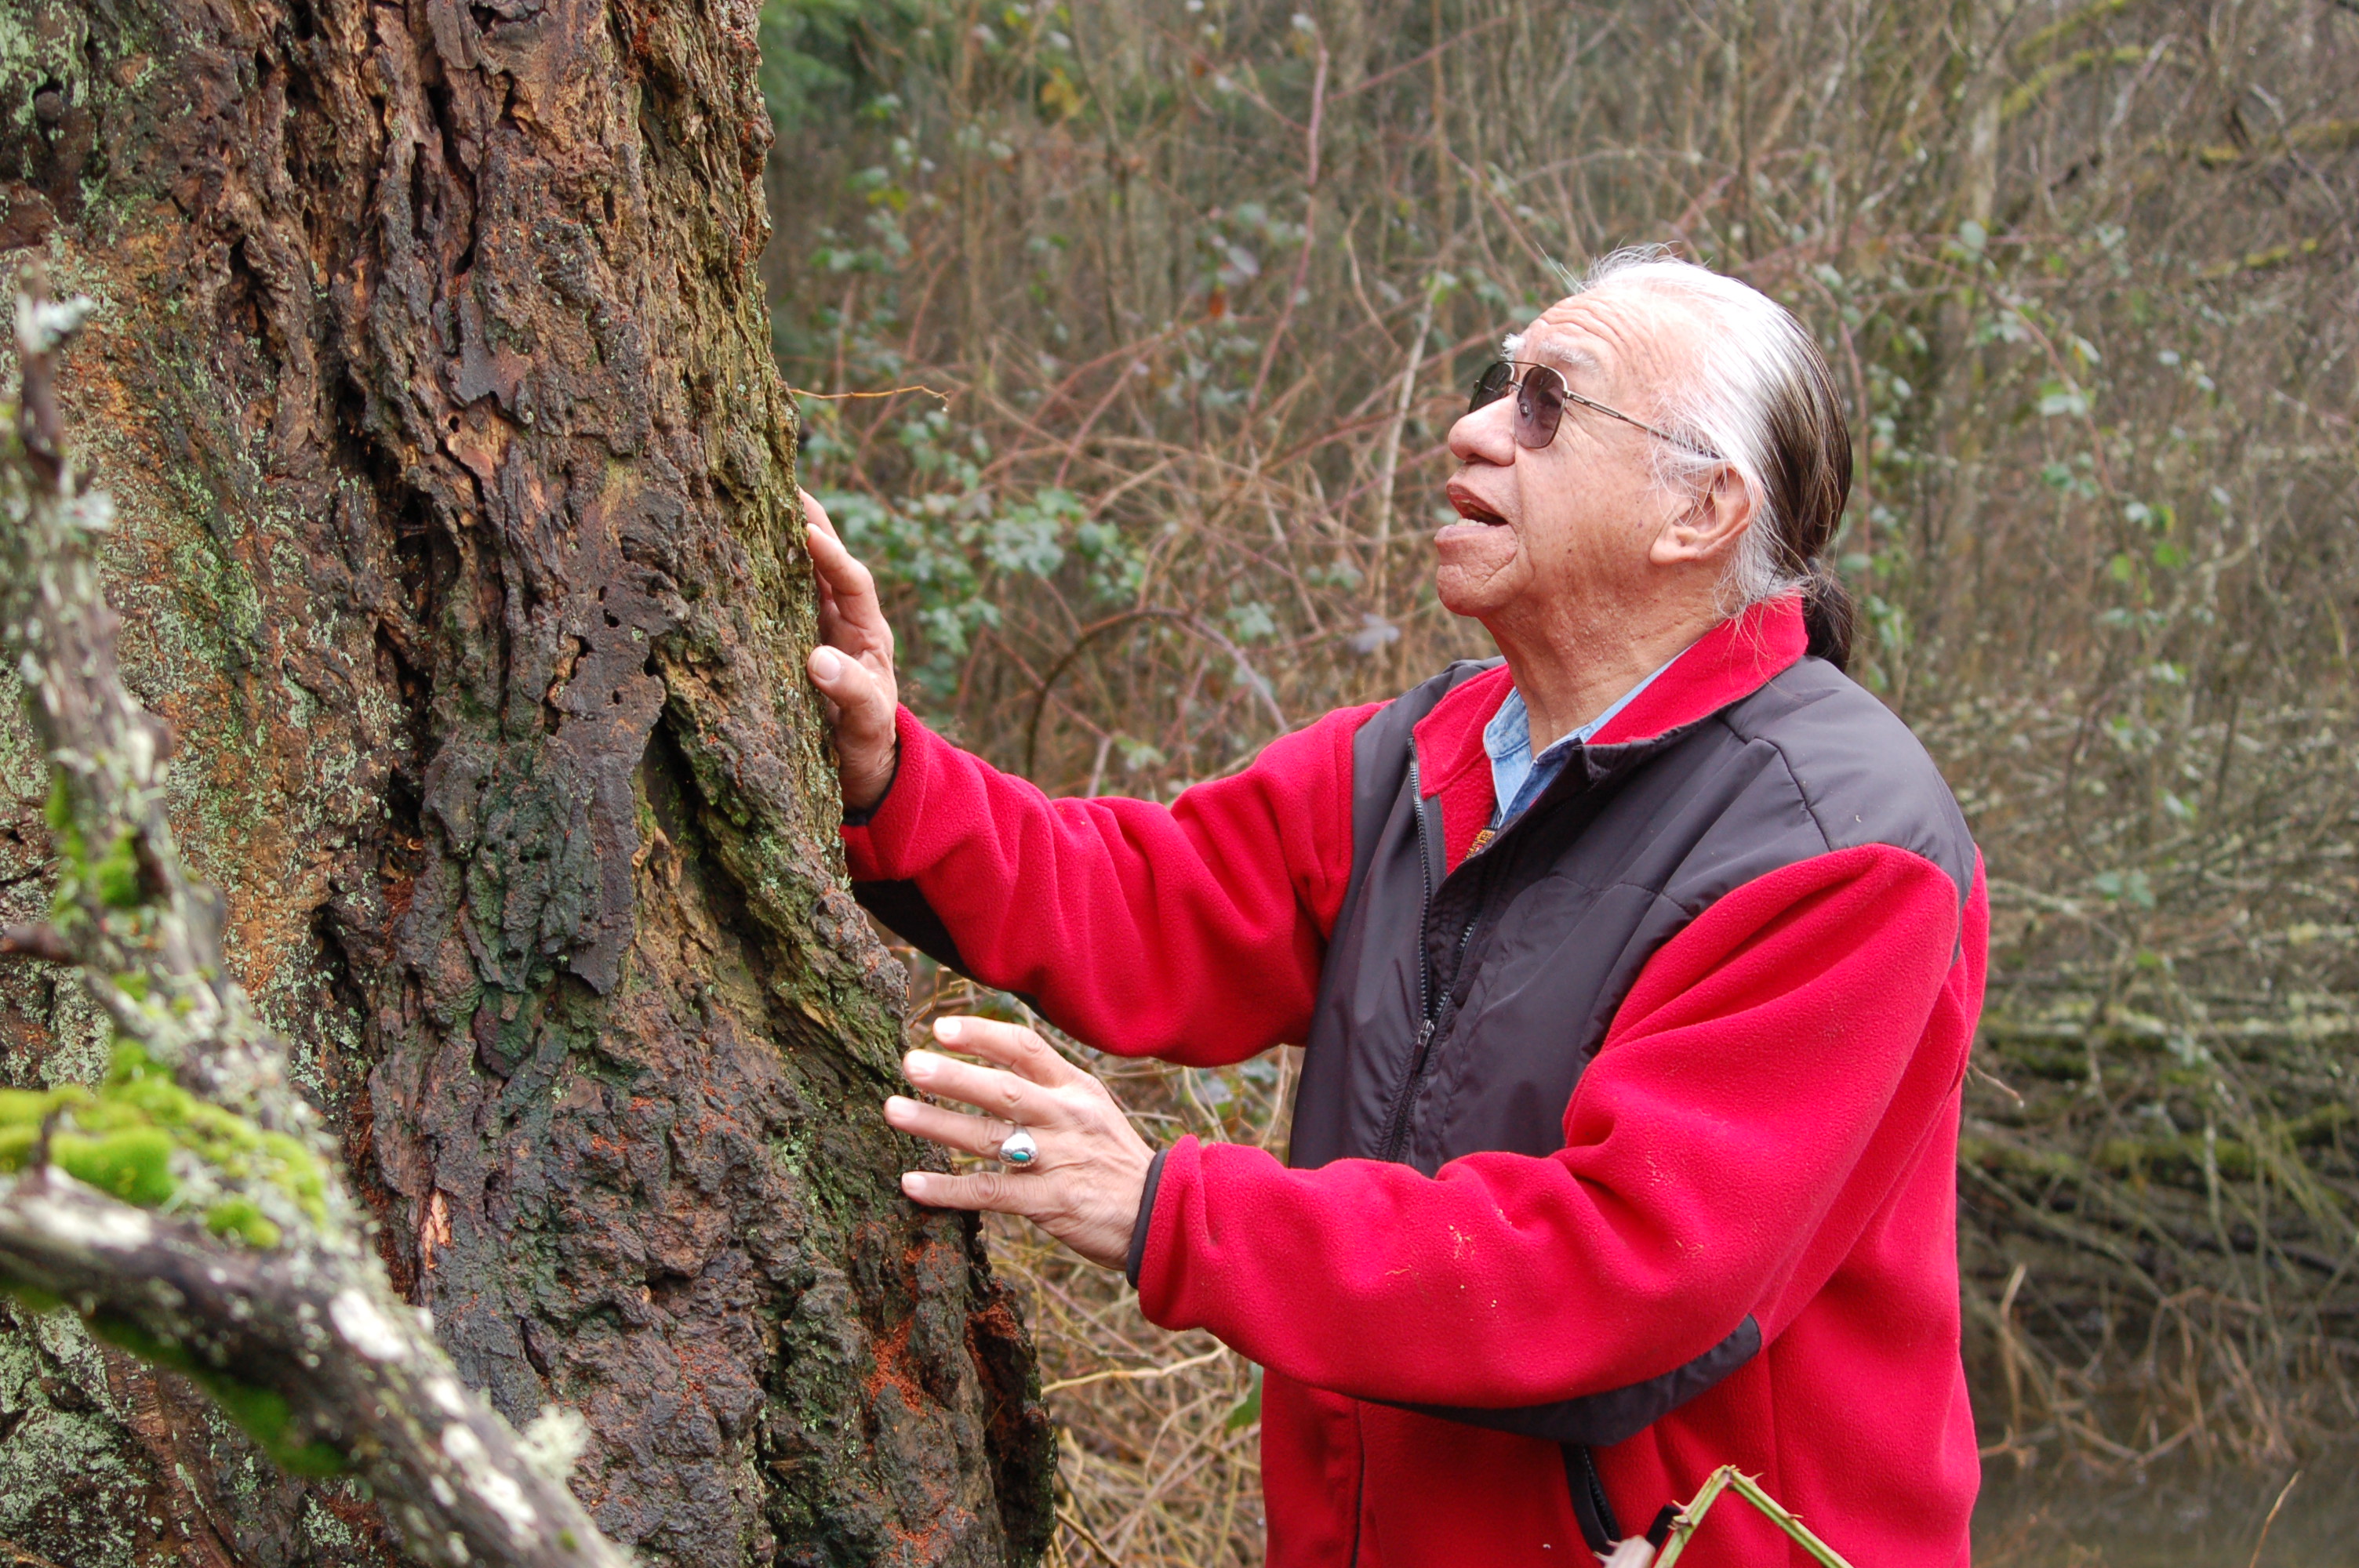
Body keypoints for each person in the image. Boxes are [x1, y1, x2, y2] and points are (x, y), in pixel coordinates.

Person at [800, 248, 1983, 1567]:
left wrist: (1168, 1209)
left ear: (1699, 511)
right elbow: (1147, 902)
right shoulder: (1431, 755)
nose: (1472, 429)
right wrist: (894, 776)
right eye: (1497, 385)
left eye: (1547, 405)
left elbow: (1621, 1273)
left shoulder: (1844, 848)